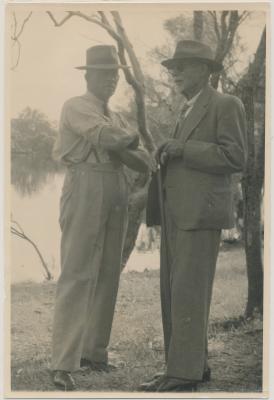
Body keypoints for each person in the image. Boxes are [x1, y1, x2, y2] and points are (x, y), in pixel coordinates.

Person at [142, 40, 247, 392]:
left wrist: (184, 149)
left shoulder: (225, 104)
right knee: (175, 293)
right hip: (177, 214)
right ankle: (186, 366)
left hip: (200, 215)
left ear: (204, 70)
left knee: (189, 293)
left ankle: (183, 374)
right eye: (173, 67)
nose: (174, 73)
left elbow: (235, 157)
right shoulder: (186, 109)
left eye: (182, 66)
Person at [51, 45, 152, 391]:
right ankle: (63, 363)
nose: (110, 79)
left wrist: (130, 148)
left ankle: (95, 353)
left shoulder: (117, 115)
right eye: (103, 73)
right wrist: (130, 144)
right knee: (78, 271)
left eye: (114, 74)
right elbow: (107, 137)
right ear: (87, 75)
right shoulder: (77, 106)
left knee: (109, 270)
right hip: (85, 182)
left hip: (115, 185)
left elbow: (140, 160)